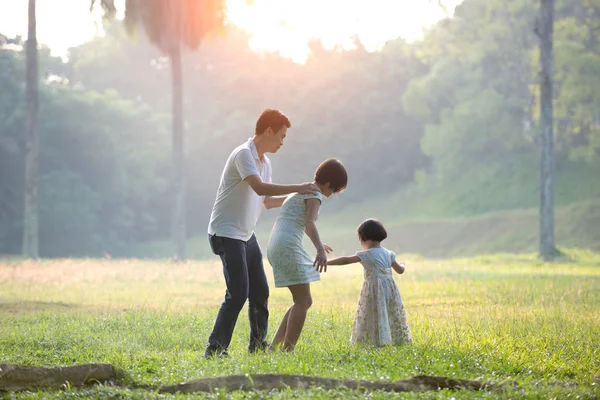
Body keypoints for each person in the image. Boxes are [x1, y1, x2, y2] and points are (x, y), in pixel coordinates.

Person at [205, 109, 320, 357]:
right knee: (238, 293)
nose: (282, 142)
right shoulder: (243, 154)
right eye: (282, 135)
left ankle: (257, 347)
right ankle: (215, 349)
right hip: (226, 232)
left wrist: (299, 196)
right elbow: (258, 188)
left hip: (246, 235)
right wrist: (299, 186)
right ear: (268, 131)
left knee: (260, 292)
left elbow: (266, 201)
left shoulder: (265, 162)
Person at [267, 158, 348, 352]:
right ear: (329, 183)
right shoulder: (315, 194)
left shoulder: (300, 191)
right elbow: (310, 223)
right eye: (334, 190)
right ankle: (288, 350)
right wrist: (319, 250)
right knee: (303, 301)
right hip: (286, 245)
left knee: (303, 300)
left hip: (275, 244)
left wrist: (320, 242)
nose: (330, 195)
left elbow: (298, 221)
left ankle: (274, 347)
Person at [327, 218, 413, 347]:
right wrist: (402, 264)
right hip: (390, 291)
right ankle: (394, 340)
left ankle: (374, 341)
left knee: (372, 313)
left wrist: (327, 262)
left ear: (364, 237)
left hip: (373, 290)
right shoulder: (389, 254)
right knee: (390, 312)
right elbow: (400, 271)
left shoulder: (367, 254)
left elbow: (345, 260)